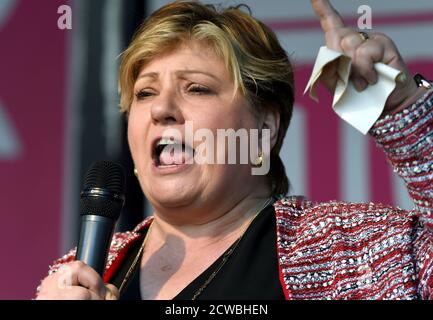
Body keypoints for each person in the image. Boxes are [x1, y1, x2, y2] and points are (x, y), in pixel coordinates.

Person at [36, 0, 433, 300]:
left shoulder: (353, 252)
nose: (160, 109)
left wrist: (410, 117)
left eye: (196, 88)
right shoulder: (77, 273)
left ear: (264, 127)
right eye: (145, 93)